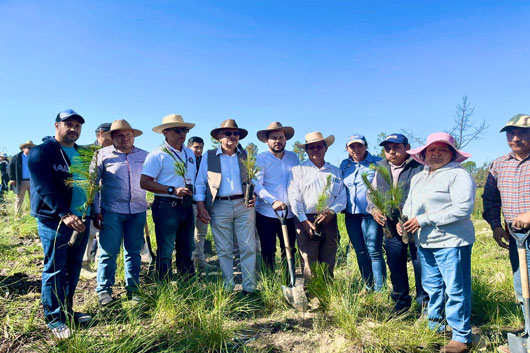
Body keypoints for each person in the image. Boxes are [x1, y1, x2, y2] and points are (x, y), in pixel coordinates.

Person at [400, 132, 475, 353]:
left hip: (452, 241)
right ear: (423, 153)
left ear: (452, 154)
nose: (436, 154)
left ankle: (461, 336)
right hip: (426, 242)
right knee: (432, 286)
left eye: (442, 149)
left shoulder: (459, 175)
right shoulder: (419, 177)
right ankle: (436, 327)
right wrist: (404, 220)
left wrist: (423, 219)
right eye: (432, 150)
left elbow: (463, 209)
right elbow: (410, 205)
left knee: (456, 288)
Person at [27, 109, 92, 339]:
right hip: (55, 220)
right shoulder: (41, 153)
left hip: (81, 220)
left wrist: (92, 212)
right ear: (56, 126)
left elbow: (88, 186)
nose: (73, 129)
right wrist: (64, 213)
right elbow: (44, 188)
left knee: (73, 268)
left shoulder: (82, 154)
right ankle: (54, 319)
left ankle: (67, 311)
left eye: (77, 125)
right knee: (55, 268)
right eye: (68, 124)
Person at [482, 114, 530, 353]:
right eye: (511, 133)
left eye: (523, 132)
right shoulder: (499, 164)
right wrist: (495, 225)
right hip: (516, 237)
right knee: (522, 286)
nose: (515, 137)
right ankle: (529, 332)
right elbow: (490, 198)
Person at [367, 133, 428, 315]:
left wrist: (413, 218)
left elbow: (425, 195)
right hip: (391, 225)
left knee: (420, 263)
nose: (392, 152)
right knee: (395, 262)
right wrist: (374, 210)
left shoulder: (419, 167)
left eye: (396, 147)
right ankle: (401, 302)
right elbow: (371, 193)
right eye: (388, 149)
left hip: (415, 224)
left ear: (407, 147)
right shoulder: (381, 168)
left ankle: (424, 304)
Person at [194, 119, 258, 294]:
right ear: (219, 137)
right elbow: (200, 184)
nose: (232, 136)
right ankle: (228, 287)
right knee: (223, 249)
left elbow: (257, 180)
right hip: (219, 205)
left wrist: (255, 195)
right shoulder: (208, 156)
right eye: (227, 133)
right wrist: (201, 206)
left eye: (235, 133)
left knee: (248, 247)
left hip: (243, 205)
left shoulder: (247, 155)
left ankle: (249, 288)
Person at [92, 120, 148, 305]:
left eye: (128, 135)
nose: (125, 138)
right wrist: (96, 210)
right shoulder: (102, 155)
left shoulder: (144, 156)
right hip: (111, 211)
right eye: (120, 135)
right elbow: (93, 186)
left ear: (133, 136)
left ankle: (133, 290)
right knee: (108, 251)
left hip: (137, 211)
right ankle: (104, 291)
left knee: (133, 252)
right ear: (112, 137)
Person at [141, 114, 197, 279]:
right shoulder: (157, 154)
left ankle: (187, 285)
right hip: (167, 205)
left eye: (185, 130)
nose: (182, 133)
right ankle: (163, 285)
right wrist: (172, 190)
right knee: (165, 250)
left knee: (187, 247)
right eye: (177, 130)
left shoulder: (189, 153)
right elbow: (144, 182)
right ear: (165, 132)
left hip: (186, 205)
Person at [288, 132, 346, 281]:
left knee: (329, 254)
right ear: (306, 150)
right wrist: (303, 220)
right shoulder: (298, 170)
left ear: (325, 148)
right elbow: (294, 197)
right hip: (306, 218)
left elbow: (341, 196)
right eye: (311, 147)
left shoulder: (335, 171)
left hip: (328, 218)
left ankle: (327, 291)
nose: (316, 150)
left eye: (319, 146)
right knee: (308, 257)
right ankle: (312, 292)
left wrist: (332, 211)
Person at [340, 134, 386, 291]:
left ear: (366, 146)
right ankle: (368, 286)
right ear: (347, 149)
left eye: (359, 145)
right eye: (352, 146)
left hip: (371, 215)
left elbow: (385, 186)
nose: (356, 149)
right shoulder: (344, 165)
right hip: (351, 215)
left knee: (374, 250)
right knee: (360, 251)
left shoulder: (377, 163)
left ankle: (380, 290)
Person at [254, 122, 299, 271]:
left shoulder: (294, 158)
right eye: (273, 138)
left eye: (281, 137)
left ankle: (289, 277)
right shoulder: (261, 159)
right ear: (267, 141)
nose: (277, 141)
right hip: (267, 212)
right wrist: (272, 201)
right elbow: (257, 184)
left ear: (286, 139)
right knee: (268, 248)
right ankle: (270, 280)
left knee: (290, 248)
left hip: (290, 212)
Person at [82, 122, 113, 270]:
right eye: (111, 135)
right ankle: (84, 264)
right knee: (88, 233)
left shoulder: (116, 153)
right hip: (88, 201)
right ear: (101, 134)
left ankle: (100, 267)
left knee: (104, 236)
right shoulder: (86, 152)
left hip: (108, 202)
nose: (115, 138)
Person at [187, 136, 215, 271]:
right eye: (196, 147)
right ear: (189, 147)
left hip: (203, 202)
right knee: (189, 233)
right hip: (190, 202)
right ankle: (190, 261)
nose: (198, 150)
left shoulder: (205, 161)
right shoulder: (185, 161)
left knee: (201, 233)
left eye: (201, 148)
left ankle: (200, 260)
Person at [8, 140, 36, 214]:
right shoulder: (16, 158)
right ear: (23, 148)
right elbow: (10, 168)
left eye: (32, 148)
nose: (31, 149)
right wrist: (12, 178)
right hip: (21, 181)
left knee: (33, 199)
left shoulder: (34, 157)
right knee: (19, 199)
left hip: (32, 181)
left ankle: (33, 214)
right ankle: (18, 216)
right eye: (29, 148)